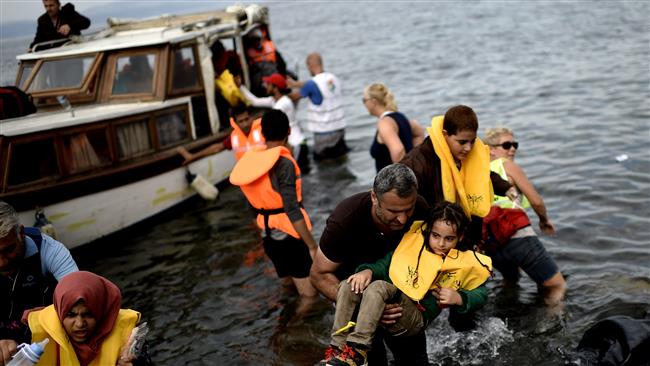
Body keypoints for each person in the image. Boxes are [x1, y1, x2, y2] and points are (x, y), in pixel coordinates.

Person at [322, 201, 492, 366]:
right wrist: (367, 271)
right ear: (428, 231)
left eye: (449, 238)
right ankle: (338, 348)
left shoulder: (463, 262)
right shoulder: (413, 246)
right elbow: (385, 264)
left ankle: (358, 350)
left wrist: (459, 298)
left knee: (378, 287)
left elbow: (481, 294)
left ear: (460, 237)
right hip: (386, 303)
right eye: (435, 236)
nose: (441, 243)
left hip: (414, 318)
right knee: (347, 284)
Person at [310, 163, 431, 366]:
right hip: (357, 301)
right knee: (372, 360)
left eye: (407, 210)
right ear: (374, 197)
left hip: (397, 300)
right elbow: (319, 275)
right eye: (393, 211)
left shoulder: (420, 208)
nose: (402, 219)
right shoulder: (345, 220)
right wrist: (370, 307)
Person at [229, 109, 317, 298]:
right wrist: (311, 245)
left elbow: (253, 205)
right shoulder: (284, 163)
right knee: (309, 298)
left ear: (261, 133)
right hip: (289, 238)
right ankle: (292, 326)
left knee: (287, 288)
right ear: (289, 132)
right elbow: (291, 209)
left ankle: (283, 321)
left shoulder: (254, 160)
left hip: (268, 237)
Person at [400, 105, 514, 244]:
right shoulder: (417, 162)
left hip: (466, 234)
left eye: (472, 141)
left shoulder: (466, 154)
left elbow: (482, 175)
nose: (468, 148)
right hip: (434, 239)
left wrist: (506, 187)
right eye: (462, 142)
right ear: (445, 134)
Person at [483, 127, 566, 308]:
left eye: (515, 145)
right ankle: (550, 324)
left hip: (490, 242)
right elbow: (535, 201)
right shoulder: (507, 166)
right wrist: (544, 220)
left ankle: (509, 314)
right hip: (515, 234)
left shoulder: (478, 171)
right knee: (556, 285)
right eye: (506, 145)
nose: (512, 149)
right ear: (490, 149)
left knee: (511, 279)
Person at [0, 201, 78, 366]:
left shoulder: (52, 252)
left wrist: (53, 313)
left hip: (45, 341)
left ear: (21, 233)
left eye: (8, 250)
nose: (2, 262)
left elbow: (79, 300)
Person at [24, 271, 151, 366]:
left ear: (101, 312)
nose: (80, 324)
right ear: (60, 313)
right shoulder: (31, 332)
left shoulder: (130, 338)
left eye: (88, 314)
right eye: (71, 315)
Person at [240, 73, 310, 173]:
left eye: (268, 84)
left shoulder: (283, 103)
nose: (265, 86)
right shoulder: (274, 100)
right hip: (294, 143)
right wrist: (240, 86)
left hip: (296, 145)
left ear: (275, 88)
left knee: (296, 178)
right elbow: (255, 101)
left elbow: (271, 120)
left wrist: (251, 121)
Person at [288, 52, 349, 160]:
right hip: (339, 127)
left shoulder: (311, 84)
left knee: (324, 162)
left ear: (309, 66)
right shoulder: (333, 78)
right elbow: (315, 85)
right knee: (340, 157)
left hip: (324, 132)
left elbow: (293, 97)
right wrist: (296, 84)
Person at [363, 83, 424, 172]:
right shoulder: (401, 118)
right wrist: (414, 164)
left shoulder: (385, 123)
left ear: (373, 101)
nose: (364, 104)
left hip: (393, 183)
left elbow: (398, 151)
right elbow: (418, 132)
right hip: (411, 177)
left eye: (364, 100)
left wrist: (400, 181)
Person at [176, 106, 264, 163]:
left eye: (247, 119)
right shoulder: (234, 137)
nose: (245, 124)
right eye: (241, 121)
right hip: (249, 176)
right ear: (235, 123)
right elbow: (217, 148)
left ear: (251, 117)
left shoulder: (263, 128)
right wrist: (193, 156)